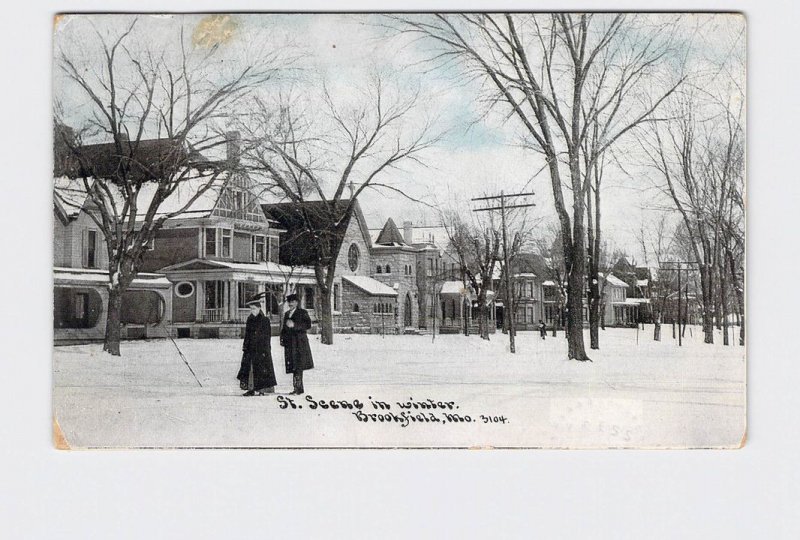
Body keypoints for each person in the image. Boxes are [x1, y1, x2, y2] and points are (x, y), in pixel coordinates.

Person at [237, 297, 277, 397]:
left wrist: (265, 349)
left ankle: (261, 389)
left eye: (254, 308)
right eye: (251, 309)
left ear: (259, 308)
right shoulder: (250, 319)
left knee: (261, 369)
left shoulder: (264, 320)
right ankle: (251, 389)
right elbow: (247, 334)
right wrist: (245, 346)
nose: (252, 311)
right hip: (250, 349)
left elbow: (267, 336)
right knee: (250, 369)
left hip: (261, 349)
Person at [280, 293, 314, 395]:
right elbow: (284, 328)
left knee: (298, 365)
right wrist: (282, 338)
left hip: (300, 343)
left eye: (293, 302)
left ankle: (298, 388)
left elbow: (308, 325)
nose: (291, 304)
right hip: (290, 343)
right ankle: (297, 387)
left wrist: (295, 325)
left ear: (297, 303)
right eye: (289, 302)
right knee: (293, 365)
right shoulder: (287, 314)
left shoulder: (302, 312)